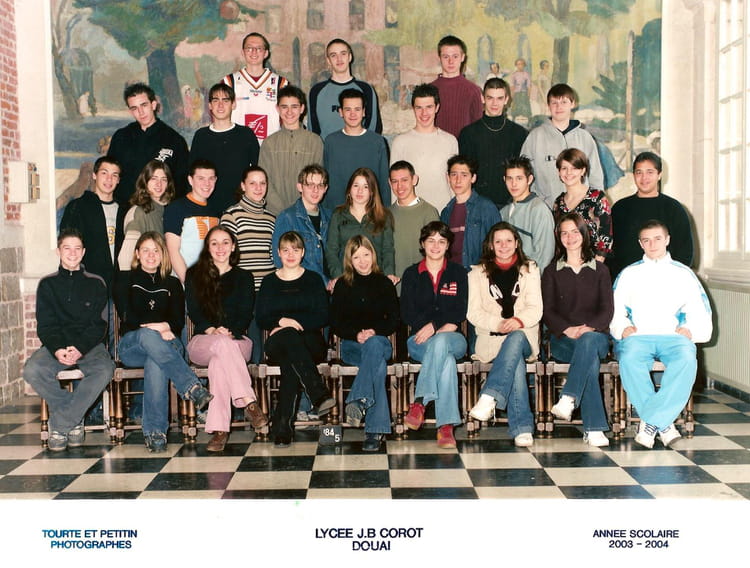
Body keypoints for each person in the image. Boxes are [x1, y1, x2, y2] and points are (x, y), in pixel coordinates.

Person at [611, 220, 712, 448]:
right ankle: (665, 424)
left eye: (657, 239)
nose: (652, 244)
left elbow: (699, 308)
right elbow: (615, 309)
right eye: (646, 240)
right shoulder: (629, 273)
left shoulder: (683, 274)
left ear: (667, 240)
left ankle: (650, 422)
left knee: (686, 359)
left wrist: (691, 329)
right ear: (640, 244)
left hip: (673, 336)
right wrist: (622, 327)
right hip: (639, 336)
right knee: (629, 359)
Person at [113, 232, 213, 452]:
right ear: (137, 254)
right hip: (132, 345)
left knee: (155, 361)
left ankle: (156, 433)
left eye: (156, 250)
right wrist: (161, 327)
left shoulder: (173, 284)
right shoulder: (124, 279)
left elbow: (177, 322)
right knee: (148, 337)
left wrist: (166, 327)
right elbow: (129, 318)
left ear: (163, 255)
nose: (151, 255)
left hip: (168, 345)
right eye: (146, 250)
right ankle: (191, 386)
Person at [23, 229, 115, 451]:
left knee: (106, 370)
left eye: (77, 249)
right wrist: (57, 349)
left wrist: (80, 348)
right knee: (32, 370)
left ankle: (61, 423)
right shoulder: (47, 284)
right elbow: (45, 325)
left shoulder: (96, 283)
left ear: (83, 252)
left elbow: (99, 325)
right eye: (67, 248)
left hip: (89, 346)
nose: (72, 253)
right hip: (56, 346)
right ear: (58, 251)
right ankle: (74, 419)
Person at [185, 226, 268, 452]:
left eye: (225, 242)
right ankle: (248, 402)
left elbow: (245, 313)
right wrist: (212, 330)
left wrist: (231, 331)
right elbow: (194, 310)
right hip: (203, 341)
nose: (220, 247)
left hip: (237, 341)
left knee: (220, 363)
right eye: (214, 243)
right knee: (221, 346)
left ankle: (219, 431)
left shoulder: (244, 277)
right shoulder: (194, 275)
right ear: (208, 248)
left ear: (233, 247)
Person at [256, 231, 336, 447]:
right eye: (285, 250)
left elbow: (323, 315)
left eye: (295, 249)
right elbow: (261, 317)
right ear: (278, 253)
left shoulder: (313, 279)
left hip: (311, 342)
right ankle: (317, 392)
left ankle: (283, 425)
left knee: (291, 358)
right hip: (277, 343)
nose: (290, 254)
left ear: (303, 253)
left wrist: (291, 324)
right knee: (290, 342)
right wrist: (282, 321)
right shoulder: (269, 281)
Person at [542, 213, 614, 446]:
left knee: (589, 342)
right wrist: (567, 329)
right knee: (588, 361)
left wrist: (589, 328)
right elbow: (548, 310)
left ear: (584, 234)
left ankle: (568, 397)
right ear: (558, 237)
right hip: (563, 340)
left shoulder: (600, 270)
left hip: (596, 337)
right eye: (564, 233)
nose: (570, 237)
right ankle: (593, 429)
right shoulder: (551, 271)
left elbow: (607, 310)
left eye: (575, 231)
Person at [467, 222, 542, 447]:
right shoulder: (477, 273)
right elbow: (473, 312)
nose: (504, 245)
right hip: (492, 340)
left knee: (516, 338)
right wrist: (498, 324)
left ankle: (489, 396)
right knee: (514, 358)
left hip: (524, 336)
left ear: (517, 243)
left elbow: (536, 308)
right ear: (491, 245)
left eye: (509, 240)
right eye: (498, 241)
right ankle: (522, 429)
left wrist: (517, 321)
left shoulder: (530, 269)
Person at [400, 221, 468, 449]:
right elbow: (407, 312)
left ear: (448, 245)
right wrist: (433, 326)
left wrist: (434, 326)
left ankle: (420, 401)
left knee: (442, 343)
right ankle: (446, 427)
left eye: (441, 241)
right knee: (446, 361)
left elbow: (460, 309)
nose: (436, 246)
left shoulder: (459, 273)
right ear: (422, 244)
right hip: (419, 340)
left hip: (454, 340)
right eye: (431, 241)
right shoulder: (411, 274)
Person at [330, 235, 400, 451]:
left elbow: (395, 319)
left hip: (380, 342)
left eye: (366, 255)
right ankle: (374, 431)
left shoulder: (384, 283)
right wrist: (356, 334)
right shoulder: (342, 285)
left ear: (373, 255)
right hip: (352, 346)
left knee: (375, 346)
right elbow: (335, 323)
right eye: (356, 257)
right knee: (377, 366)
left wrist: (374, 332)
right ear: (349, 260)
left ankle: (359, 399)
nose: (362, 261)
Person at [608, 151, 694, 278]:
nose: (644, 178)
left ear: (659, 175)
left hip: (666, 279)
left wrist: (672, 278)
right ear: (633, 175)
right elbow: (611, 250)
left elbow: (685, 252)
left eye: (650, 172)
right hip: (628, 280)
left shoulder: (674, 208)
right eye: (639, 172)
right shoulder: (620, 208)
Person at [520, 83, 603, 208]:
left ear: (573, 104)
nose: (559, 107)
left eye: (564, 102)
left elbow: (596, 176)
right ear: (548, 106)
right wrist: (534, 206)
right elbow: (523, 175)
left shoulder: (585, 138)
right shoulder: (535, 137)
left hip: (581, 210)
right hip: (546, 209)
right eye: (554, 103)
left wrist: (595, 205)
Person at [109, 82, 189, 205]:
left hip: (161, 210)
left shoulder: (174, 140)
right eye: (134, 108)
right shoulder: (121, 137)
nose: (141, 112)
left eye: (144, 105)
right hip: (126, 208)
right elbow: (111, 174)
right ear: (130, 111)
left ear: (153, 105)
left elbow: (182, 183)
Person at [189, 83, 260, 213]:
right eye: (216, 100)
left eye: (225, 100)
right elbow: (192, 173)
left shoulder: (246, 134)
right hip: (207, 208)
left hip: (240, 208)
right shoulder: (201, 136)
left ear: (233, 104)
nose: (220, 105)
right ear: (210, 105)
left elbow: (257, 171)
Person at [59, 155, 124, 295]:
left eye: (114, 175)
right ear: (94, 175)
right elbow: (68, 246)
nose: (109, 179)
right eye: (104, 173)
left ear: (118, 180)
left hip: (119, 286)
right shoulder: (78, 207)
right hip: (87, 284)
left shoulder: (124, 210)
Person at [458, 78, 528, 208]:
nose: (495, 103)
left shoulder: (519, 133)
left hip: (510, 204)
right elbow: (463, 173)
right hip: (477, 204)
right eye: (490, 98)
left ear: (506, 100)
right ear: (483, 98)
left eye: (499, 98)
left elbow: (523, 173)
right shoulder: (468, 133)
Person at [390, 83, 458, 212]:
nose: (424, 113)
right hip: (411, 214)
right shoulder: (400, 142)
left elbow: (454, 183)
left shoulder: (450, 141)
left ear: (437, 107)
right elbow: (395, 187)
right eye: (419, 108)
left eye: (429, 107)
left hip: (443, 212)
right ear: (413, 109)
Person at [326, 167, 396, 290]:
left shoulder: (384, 216)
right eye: (356, 185)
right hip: (347, 280)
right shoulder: (338, 215)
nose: (360, 191)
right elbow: (331, 250)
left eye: (365, 187)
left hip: (376, 280)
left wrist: (389, 274)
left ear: (372, 191)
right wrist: (338, 276)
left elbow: (388, 249)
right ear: (349, 189)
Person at [258, 85, 324, 215]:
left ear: (302, 108)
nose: (289, 112)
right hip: (275, 214)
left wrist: (300, 210)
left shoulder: (315, 141)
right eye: (284, 107)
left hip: (306, 213)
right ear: (278, 109)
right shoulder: (269, 143)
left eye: (294, 107)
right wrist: (283, 212)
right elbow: (265, 181)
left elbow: (317, 181)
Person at [323, 88, 390, 208]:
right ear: (341, 112)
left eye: (357, 109)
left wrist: (385, 212)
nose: (352, 114)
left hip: (370, 212)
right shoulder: (331, 142)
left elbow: (384, 183)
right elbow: (324, 180)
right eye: (348, 109)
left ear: (364, 112)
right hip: (336, 211)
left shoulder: (377, 142)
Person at [309, 38, 382, 140]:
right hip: (327, 149)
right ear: (328, 61)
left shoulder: (366, 89)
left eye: (343, 54)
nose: (339, 59)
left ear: (350, 57)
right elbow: (313, 131)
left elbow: (374, 127)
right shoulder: (316, 91)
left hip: (359, 148)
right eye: (333, 55)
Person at [222, 32, 288, 143]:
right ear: (243, 52)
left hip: (270, 147)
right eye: (249, 48)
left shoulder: (281, 83)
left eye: (259, 48)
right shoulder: (229, 82)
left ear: (266, 53)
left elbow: (288, 118)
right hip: (238, 146)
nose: (254, 51)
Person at [272, 164, 332, 284]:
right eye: (310, 185)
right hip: (304, 286)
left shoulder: (331, 216)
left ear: (325, 188)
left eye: (320, 185)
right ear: (300, 187)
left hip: (332, 287)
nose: (315, 190)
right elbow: (279, 260)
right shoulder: (287, 217)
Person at [440, 155, 501, 271]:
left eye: (464, 175)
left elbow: (499, 245)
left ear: (473, 178)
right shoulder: (446, 212)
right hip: (452, 274)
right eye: (454, 175)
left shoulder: (486, 208)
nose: (458, 180)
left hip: (479, 274)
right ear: (448, 178)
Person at [220, 165, 276, 291]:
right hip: (242, 289)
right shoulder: (231, 215)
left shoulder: (272, 218)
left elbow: (274, 256)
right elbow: (225, 257)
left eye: (262, 183)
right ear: (243, 186)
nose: (258, 188)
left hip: (268, 289)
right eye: (252, 183)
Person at [164, 159, 220, 282]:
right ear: (190, 180)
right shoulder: (176, 208)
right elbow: (173, 251)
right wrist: (189, 284)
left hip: (210, 282)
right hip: (184, 282)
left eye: (211, 179)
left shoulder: (216, 211)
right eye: (201, 178)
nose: (207, 184)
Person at [552, 148, 613, 262]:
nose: (569, 173)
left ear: (583, 170)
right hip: (566, 264)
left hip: (594, 263)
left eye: (574, 168)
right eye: (564, 168)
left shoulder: (597, 197)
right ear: (559, 172)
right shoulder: (558, 203)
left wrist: (596, 266)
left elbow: (606, 235)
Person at [388, 160, 440, 286]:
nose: (399, 186)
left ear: (414, 180)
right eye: (395, 181)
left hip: (420, 286)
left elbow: (435, 253)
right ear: (389, 183)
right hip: (393, 286)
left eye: (404, 180)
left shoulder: (429, 212)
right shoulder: (386, 214)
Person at [117, 159, 175, 270]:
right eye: (154, 178)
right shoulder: (139, 212)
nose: (159, 184)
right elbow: (125, 259)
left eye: (163, 179)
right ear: (145, 181)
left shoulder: (169, 211)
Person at [500, 156, 555, 270]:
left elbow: (544, 257)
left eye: (519, 178)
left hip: (529, 277)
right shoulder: (503, 212)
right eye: (510, 178)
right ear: (504, 179)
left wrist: (527, 278)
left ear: (529, 179)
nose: (514, 184)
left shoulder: (539, 210)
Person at [430, 35, 483, 138]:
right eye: (446, 57)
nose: (451, 61)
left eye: (455, 56)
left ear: (462, 57)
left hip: (464, 147)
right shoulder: (430, 90)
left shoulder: (473, 90)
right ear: (439, 58)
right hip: (436, 146)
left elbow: (478, 130)